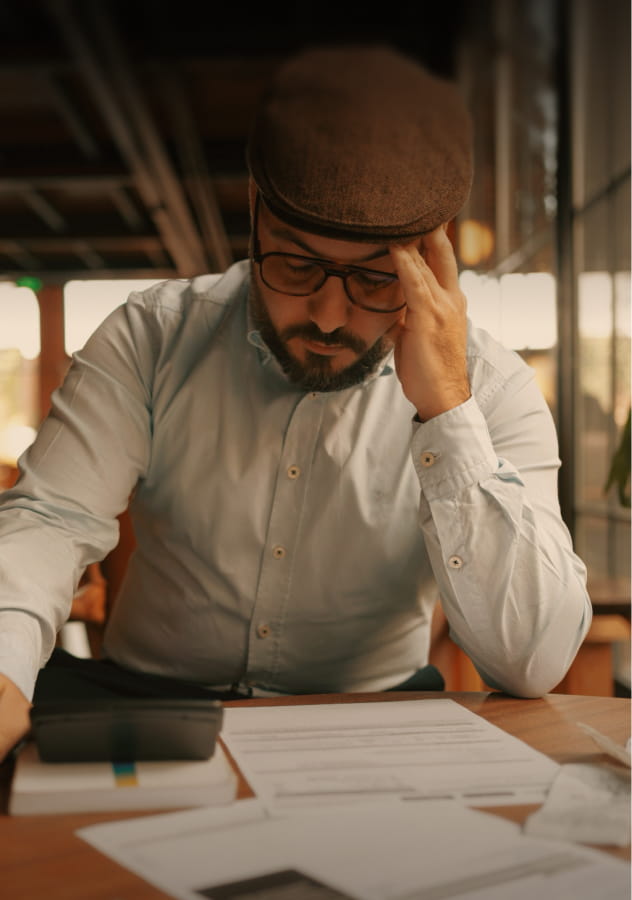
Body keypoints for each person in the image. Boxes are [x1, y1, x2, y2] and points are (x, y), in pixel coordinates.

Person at [0, 44, 591, 761]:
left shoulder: (488, 388)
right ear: (255, 212)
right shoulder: (151, 335)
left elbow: (534, 661)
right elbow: (52, 519)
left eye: (376, 280)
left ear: (434, 259)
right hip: (147, 706)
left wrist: (447, 413)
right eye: (298, 263)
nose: (331, 315)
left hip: (374, 720)